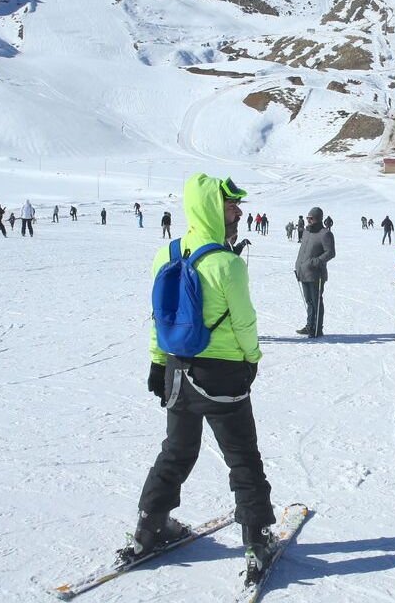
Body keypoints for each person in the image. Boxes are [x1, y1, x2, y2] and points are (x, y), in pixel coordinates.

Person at [130, 174, 276, 583]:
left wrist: (157, 362)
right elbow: (245, 323)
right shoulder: (227, 264)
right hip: (224, 375)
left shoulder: (167, 253)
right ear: (211, 207)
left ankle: (149, 528)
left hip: (177, 371)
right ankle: (257, 540)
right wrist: (252, 360)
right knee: (242, 456)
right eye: (231, 206)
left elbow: (160, 316)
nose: (239, 212)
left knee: (176, 451)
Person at [295, 207, 336, 338]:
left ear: (318, 218)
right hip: (303, 272)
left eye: (311, 218)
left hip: (315, 274)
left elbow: (330, 252)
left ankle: (317, 329)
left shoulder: (325, 234)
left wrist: (316, 261)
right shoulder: (306, 232)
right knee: (309, 301)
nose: (308, 220)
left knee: (316, 302)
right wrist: (298, 266)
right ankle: (309, 326)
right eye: (307, 218)